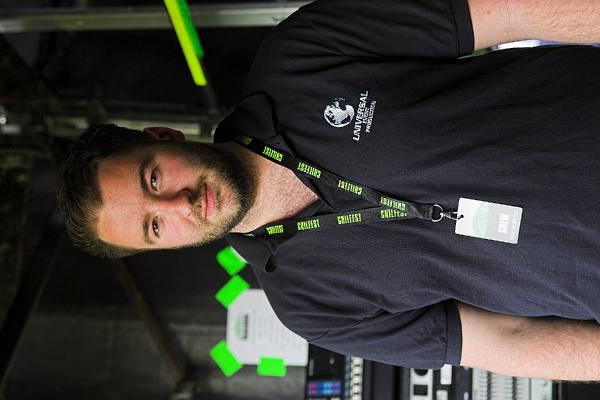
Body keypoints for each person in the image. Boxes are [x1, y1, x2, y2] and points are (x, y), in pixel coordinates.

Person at [58, 0, 600, 381]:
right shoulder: (312, 309)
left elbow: (511, 10)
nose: (178, 205)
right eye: (154, 226)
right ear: (162, 248)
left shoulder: (302, 50)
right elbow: (508, 339)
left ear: (162, 137)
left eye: (153, 178)